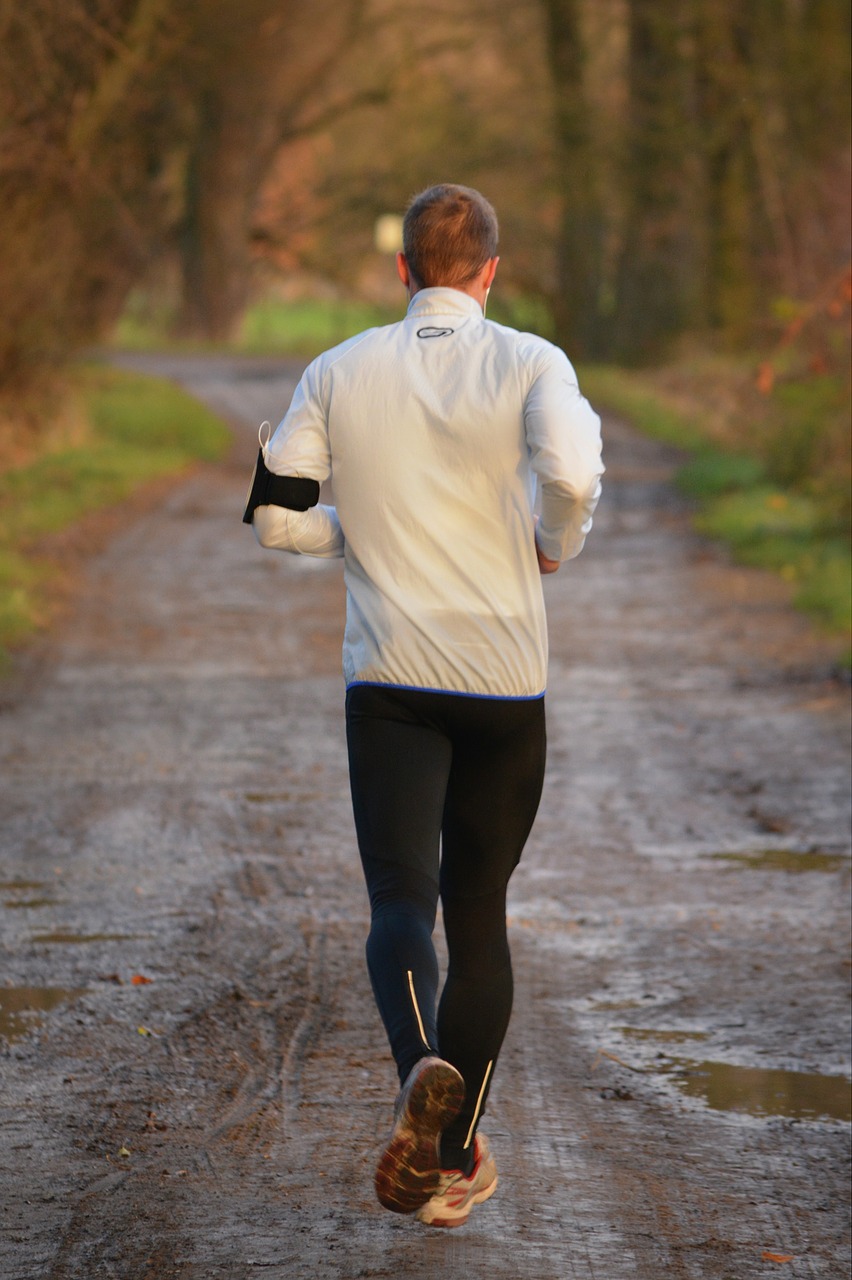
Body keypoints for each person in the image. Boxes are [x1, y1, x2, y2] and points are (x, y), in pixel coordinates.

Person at [245, 183, 603, 1228]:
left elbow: (274, 519)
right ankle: (447, 1157)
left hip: (391, 678)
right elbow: (573, 474)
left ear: (401, 271)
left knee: (400, 901)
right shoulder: (534, 360)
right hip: (503, 680)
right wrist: (556, 541)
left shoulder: (340, 368)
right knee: (478, 909)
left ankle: (420, 1074)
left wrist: (349, 536)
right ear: (492, 271)